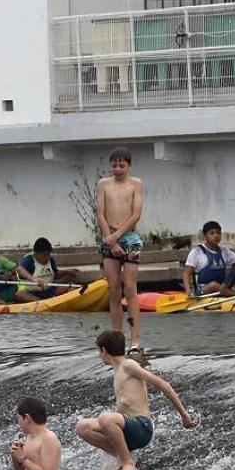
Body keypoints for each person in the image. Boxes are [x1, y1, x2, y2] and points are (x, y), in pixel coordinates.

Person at [76, 330, 196, 470]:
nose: (98, 355)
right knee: (82, 426)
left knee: (105, 418)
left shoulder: (129, 365)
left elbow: (164, 385)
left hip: (142, 428)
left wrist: (184, 415)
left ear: (104, 350)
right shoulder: (117, 370)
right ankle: (120, 456)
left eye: (98, 351)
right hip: (128, 431)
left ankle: (128, 463)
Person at [96, 147, 145, 349]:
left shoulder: (136, 184)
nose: (117, 169)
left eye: (121, 165)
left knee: (130, 288)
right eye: (114, 165)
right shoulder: (103, 184)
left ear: (129, 165)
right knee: (114, 290)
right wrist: (111, 240)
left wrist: (117, 236)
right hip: (109, 238)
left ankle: (135, 339)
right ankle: (118, 338)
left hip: (130, 238)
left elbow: (136, 214)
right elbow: (100, 213)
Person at [181, 221, 235, 297]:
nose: (216, 236)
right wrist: (188, 290)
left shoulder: (224, 252)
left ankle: (231, 292)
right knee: (213, 285)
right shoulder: (197, 252)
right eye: (212, 233)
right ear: (205, 236)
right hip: (203, 290)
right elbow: (186, 273)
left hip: (222, 289)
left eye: (218, 233)